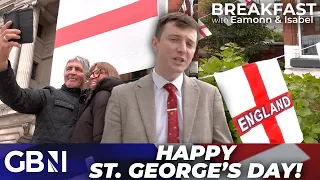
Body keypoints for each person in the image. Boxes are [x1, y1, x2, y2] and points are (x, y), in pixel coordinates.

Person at [101, 12, 233, 143]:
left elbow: (225, 155)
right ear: (155, 44)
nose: (182, 49)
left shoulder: (209, 95)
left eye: (190, 44)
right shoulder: (122, 96)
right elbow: (109, 156)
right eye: (174, 39)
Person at [0, 21, 90, 143]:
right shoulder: (49, 94)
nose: (72, 72)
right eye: (69, 69)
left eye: (78, 69)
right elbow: (17, 97)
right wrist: (2, 64)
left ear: (86, 76)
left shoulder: (91, 102)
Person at [71, 62, 122, 143]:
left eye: (97, 73)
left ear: (109, 73)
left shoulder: (102, 95)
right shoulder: (95, 97)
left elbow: (101, 135)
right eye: (90, 74)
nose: (91, 77)